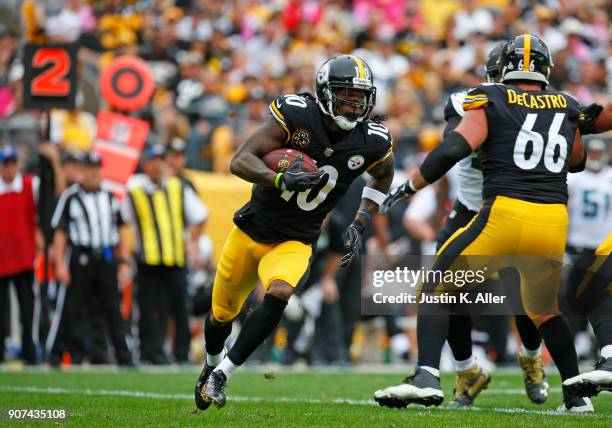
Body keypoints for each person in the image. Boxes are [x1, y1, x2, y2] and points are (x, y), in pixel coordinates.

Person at [374, 35, 592, 412]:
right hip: (552, 218)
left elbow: (454, 147)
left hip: (503, 212)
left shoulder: (489, 98)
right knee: (542, 309)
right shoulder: (567, 104)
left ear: (504, 70)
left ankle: (426, 376)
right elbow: (577, 161)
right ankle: (576, 396)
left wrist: (410, 185)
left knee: (436, 288)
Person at [194, 55, 394, 410]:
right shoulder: (298, 115)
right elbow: (240, 159)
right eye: (346, 95)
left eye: (360, 97)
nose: (354, 104)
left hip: (297, 239)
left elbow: (384, 175)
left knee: (282, 292)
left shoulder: (372, 141)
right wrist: (279, 178)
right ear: (325, 93)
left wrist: (361, 221)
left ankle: (223, 372)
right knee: (221, 315)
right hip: (251, 230)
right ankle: (210, 363)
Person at [421, 42, 548, 408]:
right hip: (470, 210)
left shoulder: (539, 107)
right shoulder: (470, 102)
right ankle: (466, 371)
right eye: (496, 78)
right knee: (449, 293)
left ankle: (531, 356)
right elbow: (453, 142)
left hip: (515, 210)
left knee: (522, 298)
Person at [123, 145, 207, 364]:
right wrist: (127, 253)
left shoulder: (178, 188)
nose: (159, 165)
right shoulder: (134, 190)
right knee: (149, 309)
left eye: (162, 160)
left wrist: (193, 242)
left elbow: (201, 216)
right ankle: (150, 352)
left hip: (176, 258)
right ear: (145, 164)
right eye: (154, 160)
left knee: (180, 307)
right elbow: (123, 223)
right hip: (147, 260)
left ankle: (181, 353)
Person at [49, 151, 133, 365]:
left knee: (113, 310)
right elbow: (60, 232)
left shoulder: (111, 197)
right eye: (90, 168)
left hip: (105, 258)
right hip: (80, 258)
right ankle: (55, 355)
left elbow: (121, 230)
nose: (94, 172)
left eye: (97, 168)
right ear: (82, 170)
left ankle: (125, 358)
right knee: (69, 308)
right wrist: (60, 264)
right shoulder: (71, 196)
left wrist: (123, 262)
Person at [0, 144, 39, 365]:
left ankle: (30, 352)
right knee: (1, 311)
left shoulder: (29, 185)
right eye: (5, 164)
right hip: (1, 259)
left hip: (24, 257)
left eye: (12, 163)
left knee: (28, 310)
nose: (9, 168)